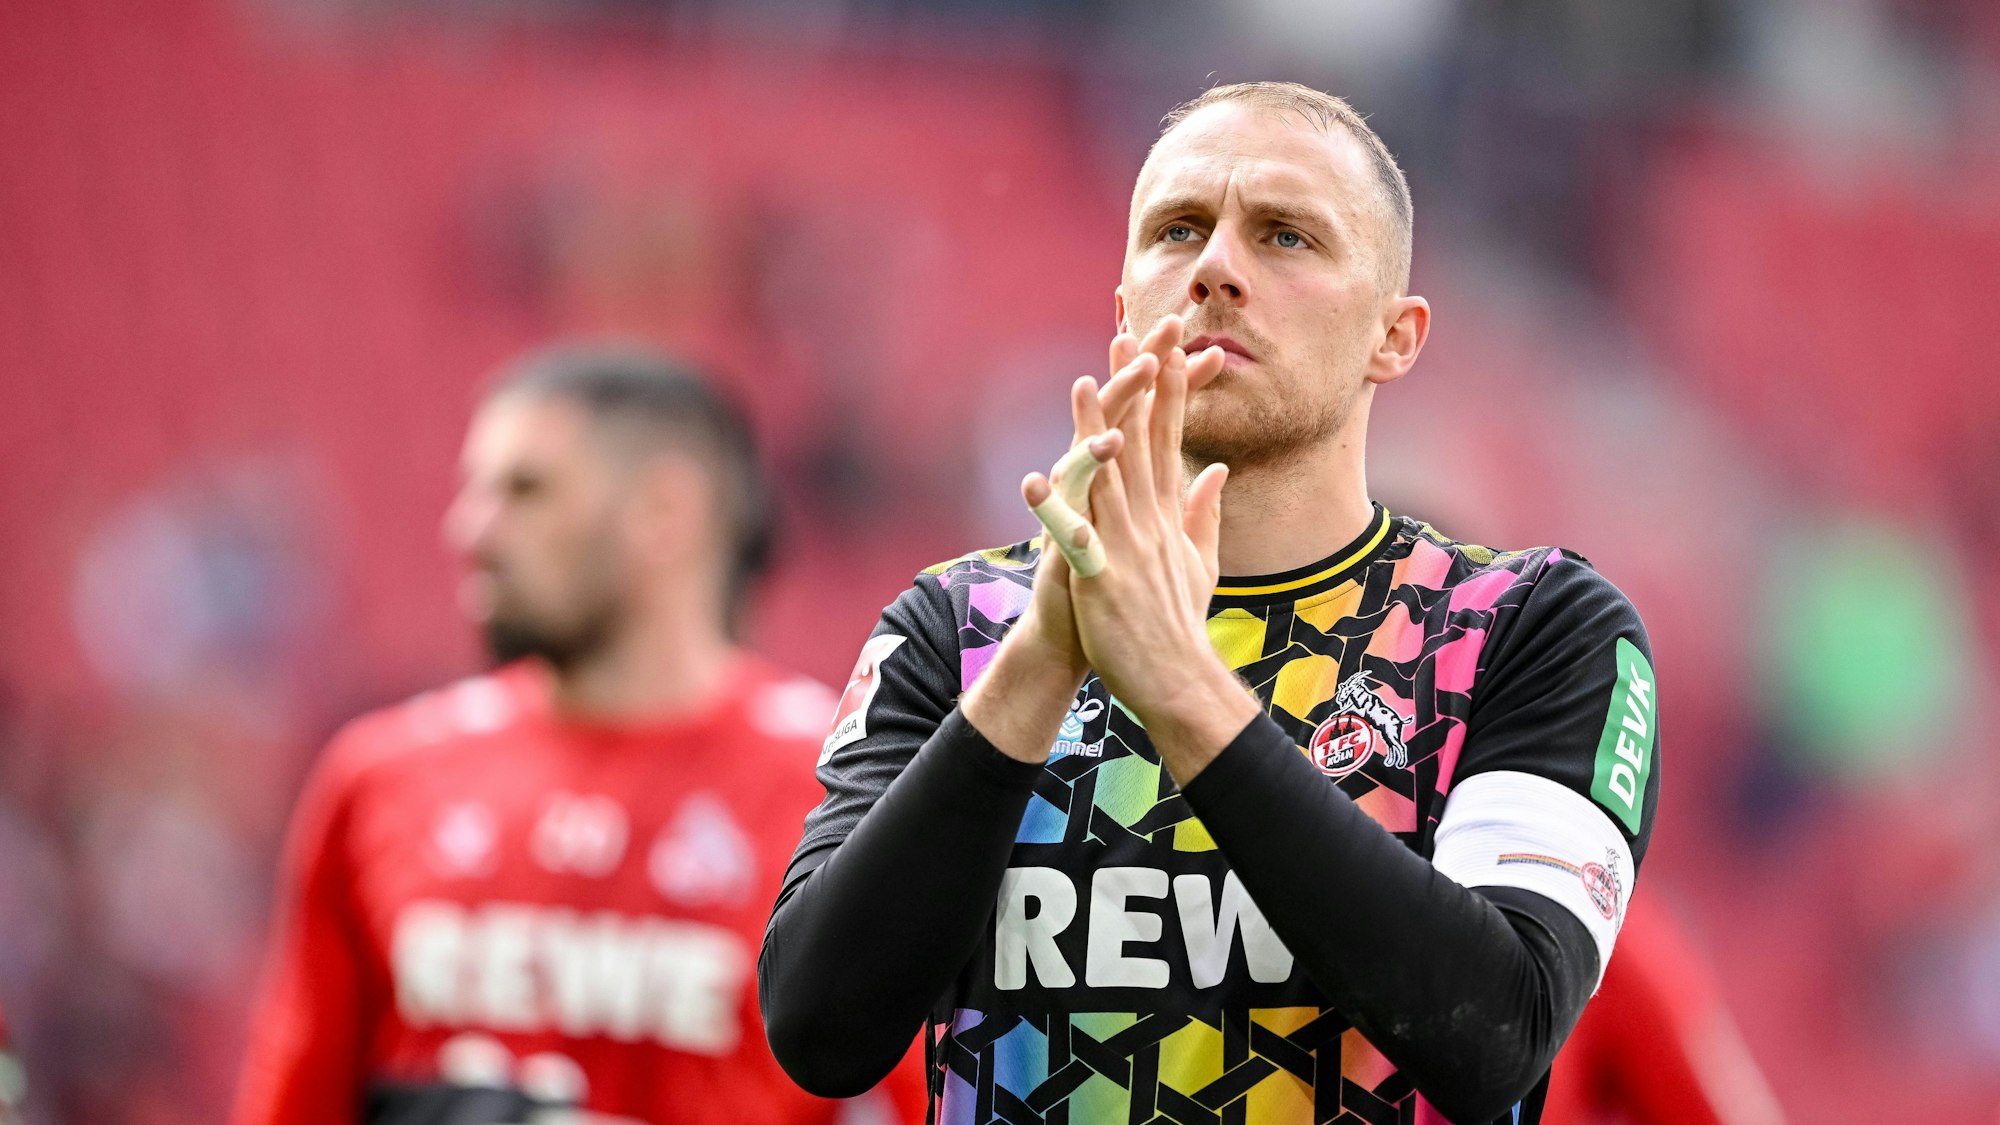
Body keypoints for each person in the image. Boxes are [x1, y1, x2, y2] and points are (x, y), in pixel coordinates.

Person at [759, 81, 1660, 1125]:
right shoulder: (956, 628)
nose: (1215, 269)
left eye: (1285, 236)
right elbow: (819, 1032)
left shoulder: (1526, 628)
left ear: (1395, 336)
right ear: (1124, 309)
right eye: (1178, 230)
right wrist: (1043, 656)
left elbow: (1495, 1035)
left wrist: (1180, 685)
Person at [234, 346, 916, 1125]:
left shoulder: (847, 789)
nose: (470, 530)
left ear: (665, 511)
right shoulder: (379, 778)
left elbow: (948, 1100)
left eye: (526, 491)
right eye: (475, 491)